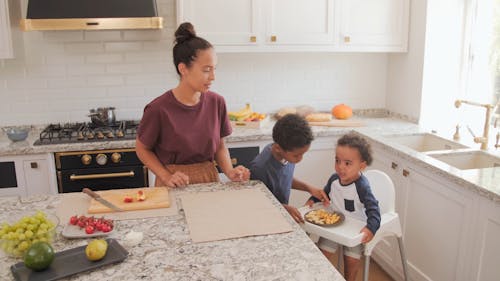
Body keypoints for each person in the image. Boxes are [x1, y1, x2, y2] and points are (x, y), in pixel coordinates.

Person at [136, 22, 250, 187]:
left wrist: (230, 172)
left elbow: (219, 147)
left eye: (214, 69)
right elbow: (142, 149)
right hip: (172, 183)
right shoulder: (158, 108)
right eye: (206, 70)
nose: (213, 77)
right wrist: (166, 176)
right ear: (183, 69)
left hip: (209, 179)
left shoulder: (217, 102)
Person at [306, 132, 380, 281]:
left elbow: (374, 210)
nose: (340, 167)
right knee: (322, 257)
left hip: (353, 229)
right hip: (334, 226)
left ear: (362, 165)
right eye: (337, 161)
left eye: (347, 163)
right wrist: (313, 199)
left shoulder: (362, 186)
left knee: (351, 261)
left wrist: (370, 228)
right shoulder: (334, 179)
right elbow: (324, 193)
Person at [249, 114, 330, 223]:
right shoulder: (259, 168)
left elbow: (283, 178)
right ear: (278, 148)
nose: (300, 159)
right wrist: (284, 208)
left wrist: (309, 188)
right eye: (297, 155)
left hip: (281, 213)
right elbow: (256, 203)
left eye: (303, 154)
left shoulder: (285, 152)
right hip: (266, 219)